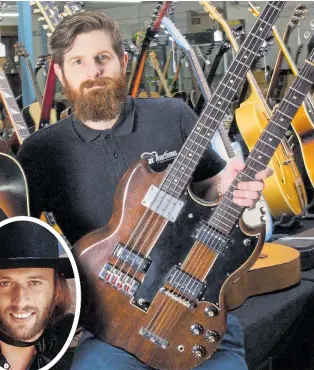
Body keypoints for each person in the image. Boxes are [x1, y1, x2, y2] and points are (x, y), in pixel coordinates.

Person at [17, 11, 273, 370]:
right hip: (111, 324)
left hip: (194, 303)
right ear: (60, 73)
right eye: (78, 62)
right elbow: (24, 243)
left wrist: (227, 183)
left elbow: (209, 188)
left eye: (102, 58)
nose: (94, 72)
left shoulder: (173, 114)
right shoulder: (41, 153)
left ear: (122, 62)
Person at [0, 219, 74, 370]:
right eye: (5, 284)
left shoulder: (77, 350)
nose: (20, 302)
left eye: (34, 283)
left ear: (57, 289)